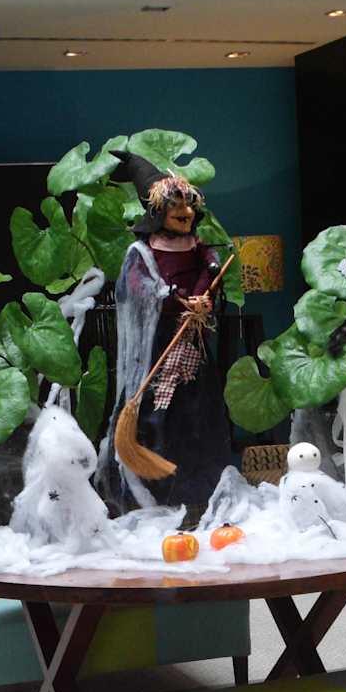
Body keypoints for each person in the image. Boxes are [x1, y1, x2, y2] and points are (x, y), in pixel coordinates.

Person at [97, 152, 233, 516]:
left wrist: (202, 298)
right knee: (159, 413)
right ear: (158, 211)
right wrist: (176, 299)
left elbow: (210, 270)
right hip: (157, 345)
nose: (185, 211)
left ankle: (199, 491)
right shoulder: (140, 254)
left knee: (198, 411)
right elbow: (138, 289)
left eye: (188, 204)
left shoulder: (199, 248)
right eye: (176, 205)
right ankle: (156, 489)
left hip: (193, 340)